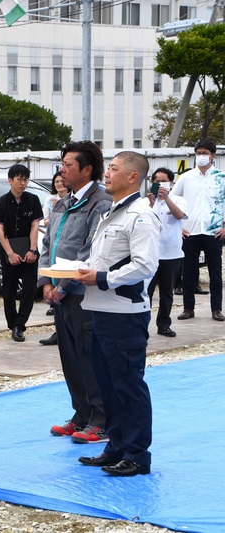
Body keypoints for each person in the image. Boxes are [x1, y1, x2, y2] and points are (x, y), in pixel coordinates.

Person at [76, 151, 159, 476]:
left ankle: (137, 455)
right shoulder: (112, 213)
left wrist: (102, 278)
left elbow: (144, 265)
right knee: (107, 386)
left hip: (125, 314)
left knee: (128, 385)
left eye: (113, 168)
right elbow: (103, 258)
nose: (106, 173)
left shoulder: (140, 215)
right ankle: (117, 447)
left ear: (133, 177)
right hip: (101, 311)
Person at [38, 140, 112, 444]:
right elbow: (48, 244)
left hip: (83, 294)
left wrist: (64, 286)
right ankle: (81, 413)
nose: (62, 170)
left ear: (87, 169)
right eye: (62, 164)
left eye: (69, 165)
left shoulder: (100, 203)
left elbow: (90, 250)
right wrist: (45, 282)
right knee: (69, 356)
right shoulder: (62, 202)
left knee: (89, 357)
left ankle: (100, 419)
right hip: (59, 293)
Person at [172, 139, 225, 322]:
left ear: (213, 156)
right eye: (199, 152)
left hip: (214, 231)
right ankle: (188, 308)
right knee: (188, 271)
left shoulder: (221, 177)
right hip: (190, 232)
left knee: (215, 273)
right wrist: (178, 227)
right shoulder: (186, 178)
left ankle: (217, 309)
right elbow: (172, 201)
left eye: (205, 153)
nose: (201, 156)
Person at [0, 164, 43, 342]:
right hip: (9, 250)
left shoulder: (33, 200)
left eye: (26, 179)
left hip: (29, 250)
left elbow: (35, 225)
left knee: (29, 288)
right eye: (19, 179)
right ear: (10, 180)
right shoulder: (0, 203)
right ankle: (13, 324)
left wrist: (33, 248)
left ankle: (21, 323)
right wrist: (10, 253)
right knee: (9, 290)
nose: (23, 183)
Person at [146, 168, 187, 337]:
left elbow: (179, 215)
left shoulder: (179, 200)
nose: (160, 185)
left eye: (163, 181)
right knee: (146, 291)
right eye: (156, 181)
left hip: (171, 253)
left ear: (171, 183)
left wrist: (167, 198)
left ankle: (163, 324)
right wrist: (151, 203)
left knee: (166, 291)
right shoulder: (147, 202)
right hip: (151, 253)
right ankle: (142, 324)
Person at [39, 171, 67, 346]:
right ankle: (58, 330)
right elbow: (46, 222)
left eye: (61, 181)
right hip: (55, 246)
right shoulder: (51, 201)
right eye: (56, 181)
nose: (59, 184)